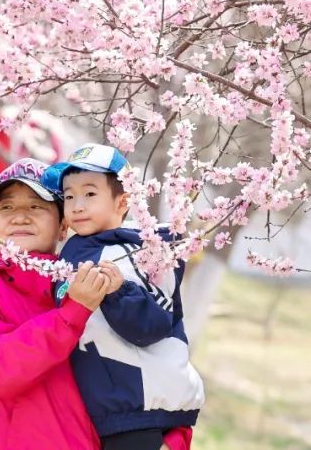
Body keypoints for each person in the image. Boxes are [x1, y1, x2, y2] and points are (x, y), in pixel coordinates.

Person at [0, 159, 122, 449]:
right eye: (7, 207)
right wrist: (71, 315)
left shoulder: (91, 284)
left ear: (63, 226)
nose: (19, 217)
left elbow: (139, 365)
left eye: (36, 207)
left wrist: (168, 437)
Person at [43, 144, 205, 450]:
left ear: (123, 201)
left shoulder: (140, 253)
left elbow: (153, 324)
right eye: (69, 196)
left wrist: (119, 291)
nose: (77, 205)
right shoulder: (77, 249)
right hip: (105, 406)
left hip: (139, 405)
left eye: (90, 194)